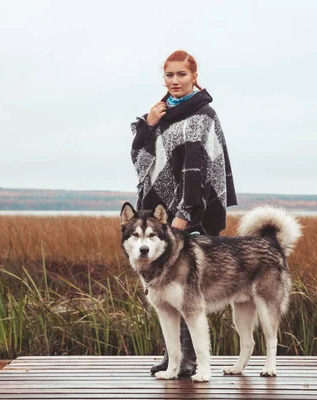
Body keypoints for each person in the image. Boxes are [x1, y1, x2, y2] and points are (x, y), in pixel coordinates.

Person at [130, 50, 237, 376]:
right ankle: (173, 358)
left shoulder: (202, 115)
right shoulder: (161, 115)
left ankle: (189, 360)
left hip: (192, 215)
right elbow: (139, 159)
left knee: (187, 292)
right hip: (161, 214)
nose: (174, 81)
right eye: (169, 75)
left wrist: (182, 217)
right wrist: (148, 126)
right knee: (164, 289)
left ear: (194, 77)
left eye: (181, 75)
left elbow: (196, 171)